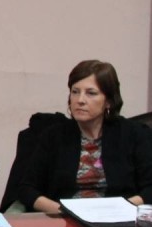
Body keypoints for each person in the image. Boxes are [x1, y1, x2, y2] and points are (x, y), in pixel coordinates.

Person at [19, 60, 152, 213]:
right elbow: (27, 189)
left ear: (108, 101)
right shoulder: (52, 136)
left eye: (91, 93)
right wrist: (66, 212)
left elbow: (149, 189)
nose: (80, 100)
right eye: (75, 92)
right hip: (64, 223)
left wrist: (116, 210)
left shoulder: (135, 134)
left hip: (119, 222)